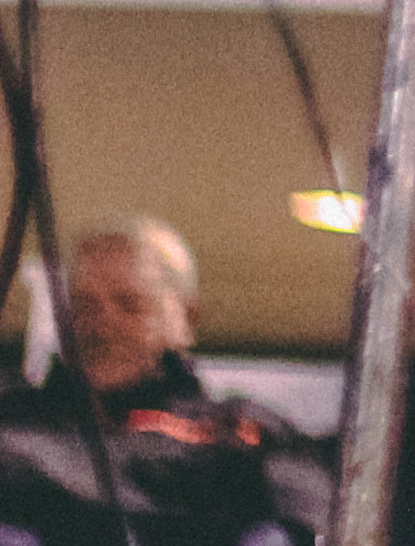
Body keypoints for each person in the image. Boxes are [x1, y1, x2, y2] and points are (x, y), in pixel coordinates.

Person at [0, 218, 310, 528]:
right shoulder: (12, 418)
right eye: (83, 305)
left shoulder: (244, 438)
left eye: (130, 305)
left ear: (186, 319)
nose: (102, 326)